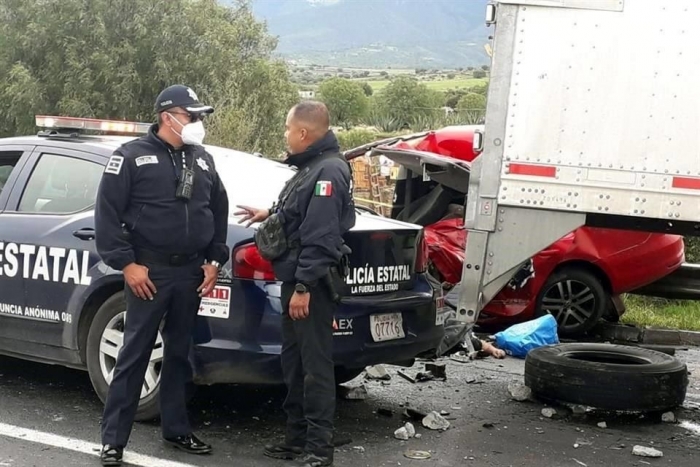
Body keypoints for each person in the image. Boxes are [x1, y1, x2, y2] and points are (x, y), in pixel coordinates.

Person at [94, 84, 229, 466]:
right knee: (134, 354)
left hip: (190, 272)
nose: (198, 123)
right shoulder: (131, 157)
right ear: (167, 116)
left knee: (179, 355)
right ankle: (113, 440)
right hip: (148, 271)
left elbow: (218, 210)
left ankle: (177, 430)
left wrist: (214, 260)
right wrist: (127, 264)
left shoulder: (201, 159)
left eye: (200, 116)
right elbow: (106, 214)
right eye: (192, 115)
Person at [236, 101, 356, 467]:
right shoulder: (313, 168)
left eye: (288, 129)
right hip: (298, 280)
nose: (286, 135)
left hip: (312, 285)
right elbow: (301, 213)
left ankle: (318, 449)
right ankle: (297, 438)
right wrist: (270, 215)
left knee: (315, 367)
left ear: (303, 133)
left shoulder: (328, 172)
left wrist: (303, 287)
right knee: (294, 363)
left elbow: (320, 235)